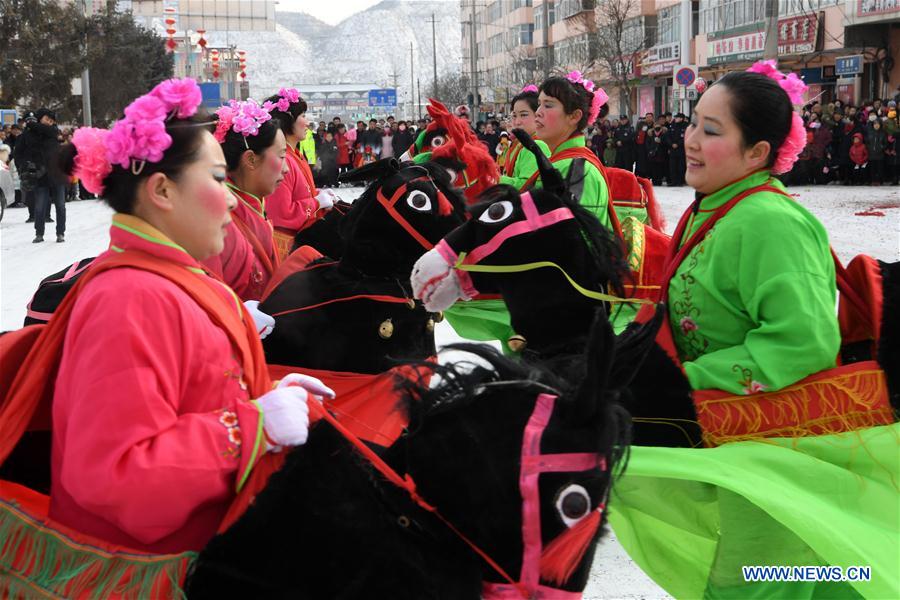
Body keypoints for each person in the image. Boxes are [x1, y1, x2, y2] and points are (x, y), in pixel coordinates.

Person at [49, 78, 333, 554]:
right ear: (162, 190)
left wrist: (264, 396)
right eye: (218, 180)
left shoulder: (173, 277)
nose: (229, 199)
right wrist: (249, 428)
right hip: (163, 567)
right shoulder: (127, 298)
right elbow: (117, 477)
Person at [671, 61, 839, 395]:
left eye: (711, 131)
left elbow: (804, 344)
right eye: (693, 124)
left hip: (749, 422)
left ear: (756, 152)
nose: (691, 140)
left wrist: (682, 381)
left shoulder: (771, 223)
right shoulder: (716, 204)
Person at [202, 99, 286, 301]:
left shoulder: (253, 203)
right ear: (250, 159)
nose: (286, 168)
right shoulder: (218, 224)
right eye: (282, 156)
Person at [531, 72, 613, 229]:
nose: (538, 112)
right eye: (539, 104)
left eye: (548, 105)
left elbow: (574, 240)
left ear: (574, 116)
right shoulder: (564, 162)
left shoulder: (577, 170)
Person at [264, 89, 329, 261]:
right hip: (287, 247)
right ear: (287, 121)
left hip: (301, 241)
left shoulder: (296, 156)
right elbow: (282, 213)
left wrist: (318, 196)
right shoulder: (282, 161)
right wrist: (316, 202)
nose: (307, 122)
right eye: (303, 116)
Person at [13, 108, 65, 242]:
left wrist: (31, 123)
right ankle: (39, 233)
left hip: (57, 174)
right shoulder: (29, 134)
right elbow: (19, 152)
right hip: (39, 175)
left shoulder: (52, 131)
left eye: (52, 120)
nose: (50, 122)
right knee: (40, 206)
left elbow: (47, 130)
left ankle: (60, 233)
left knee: (60, 205)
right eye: (47, 119)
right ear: (40, 118)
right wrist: (23, 168)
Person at [499, 85, 551, 189]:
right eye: (514, 116)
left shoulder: (536, 146)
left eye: (524, 115)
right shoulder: (517, 144)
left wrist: (495, 179)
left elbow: (526, 186)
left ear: (538, 115)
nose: (517, 122)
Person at [664, 112, 687, 186]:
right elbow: (667, 137)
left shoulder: (685, 127)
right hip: (673, 149)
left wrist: (678, 144)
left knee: (681, 166)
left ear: (681, 119)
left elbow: (685, 137)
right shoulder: (672, 126)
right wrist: (671, 144)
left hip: (681, 149)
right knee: (672, 166)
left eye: (677, 118)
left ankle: (680, 181)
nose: (676, 119)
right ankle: (673, 181)